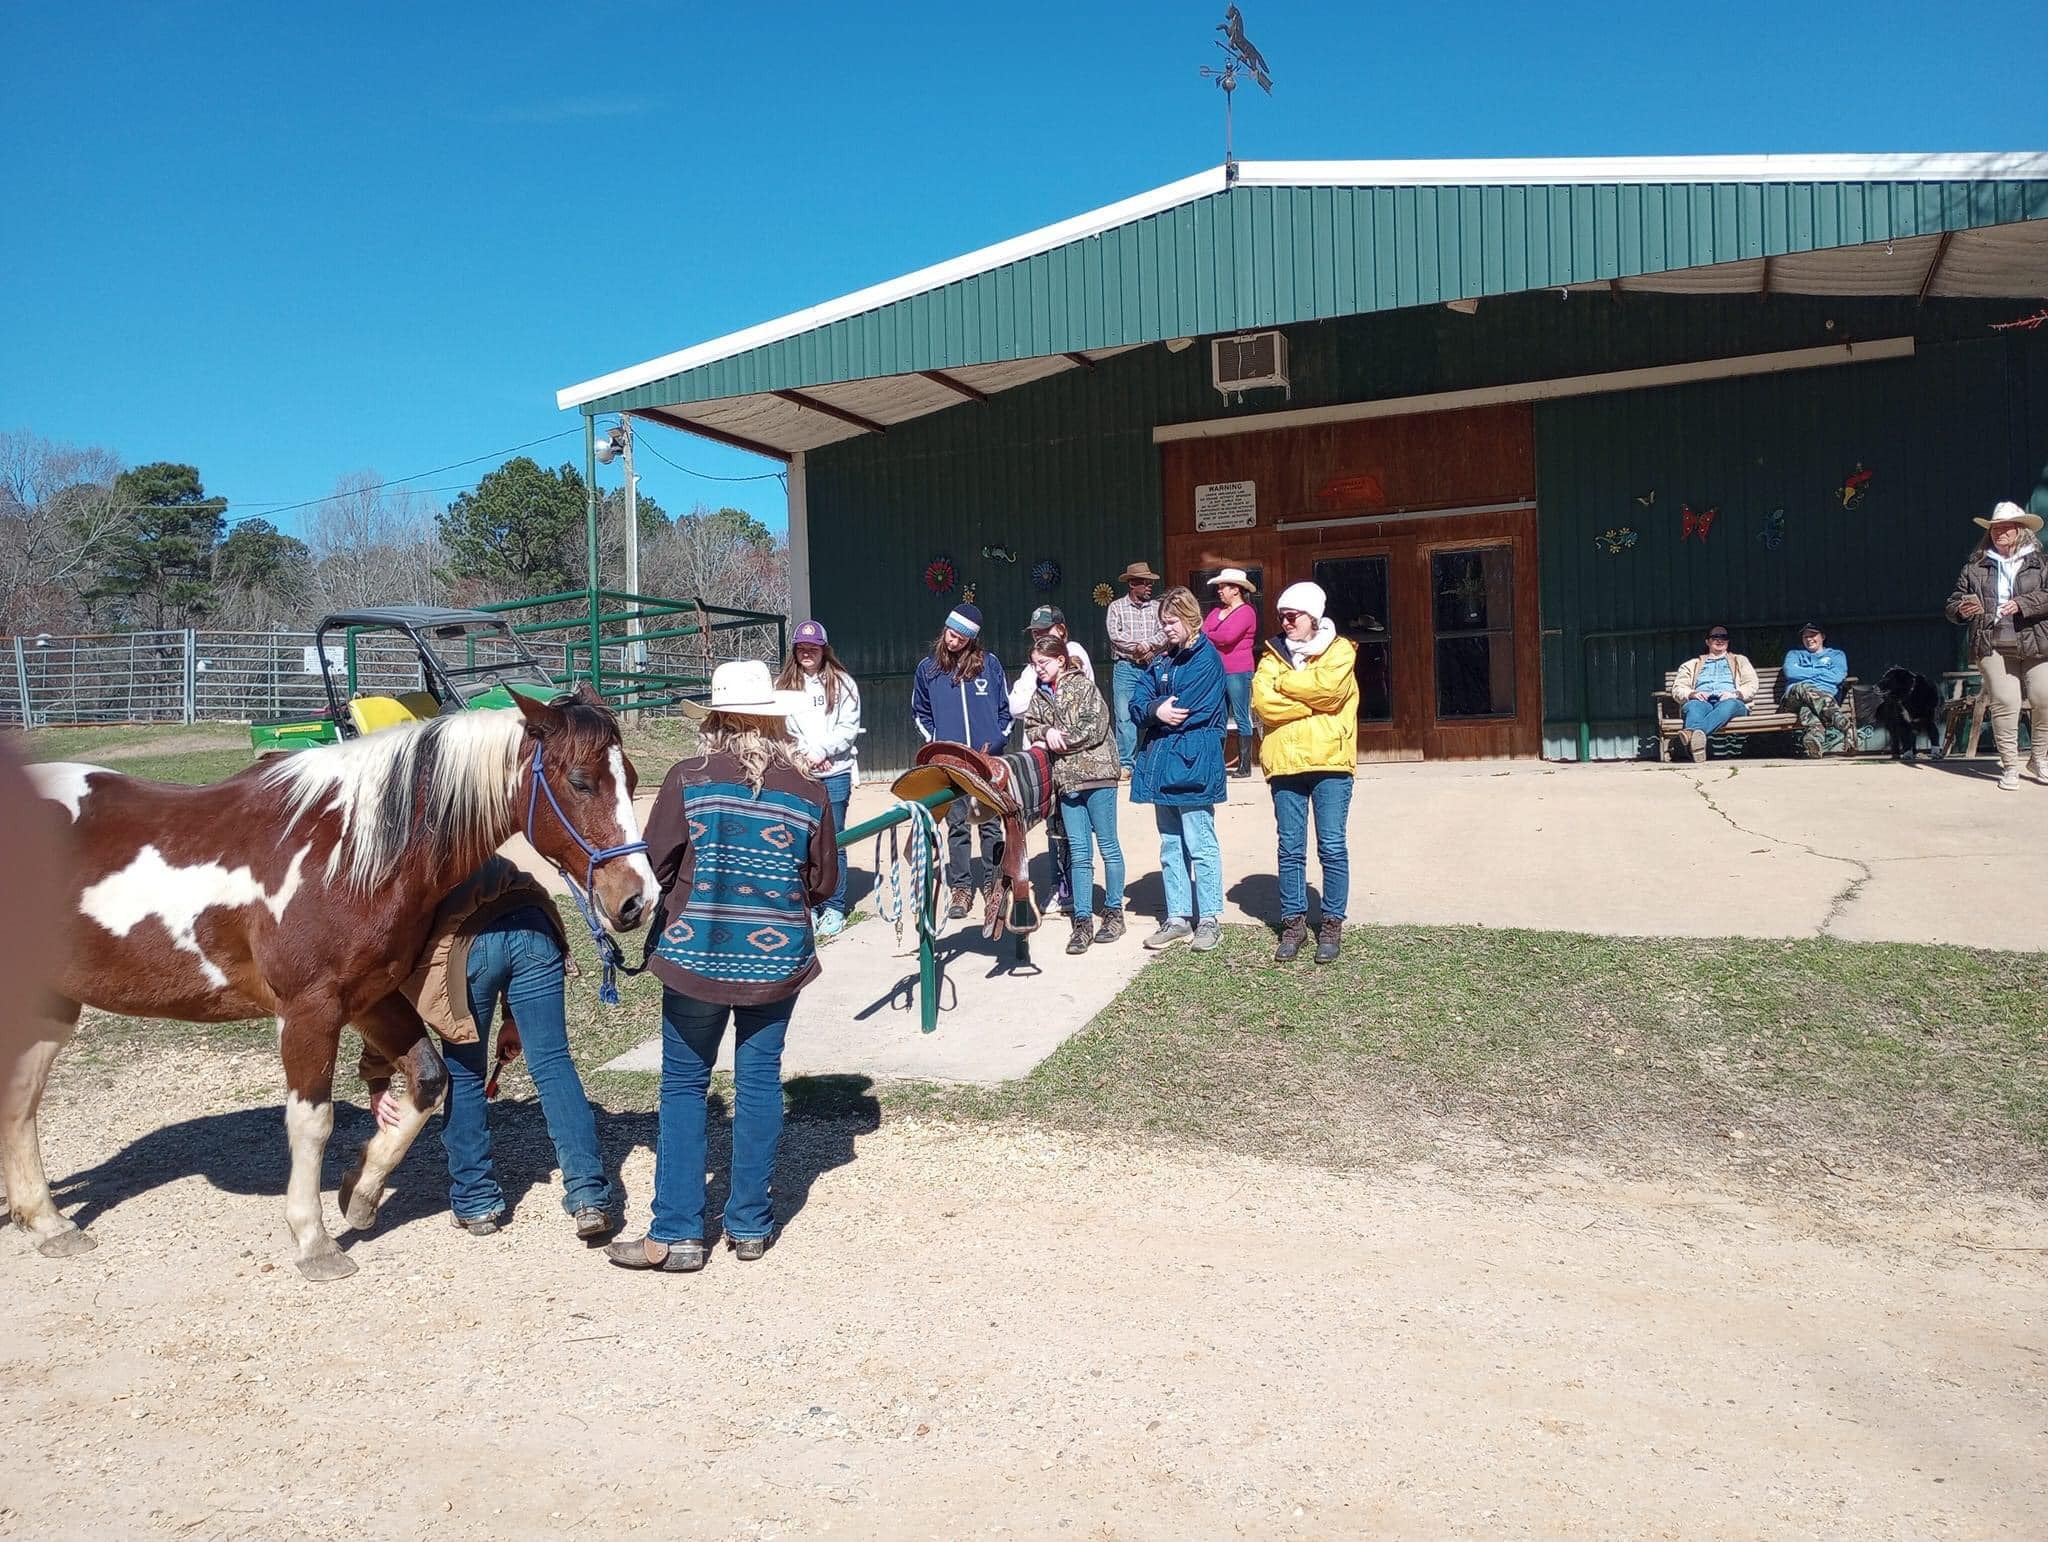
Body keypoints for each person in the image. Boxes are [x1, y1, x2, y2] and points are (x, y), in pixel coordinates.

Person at [607, 660, 837, 1272]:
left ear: (712, 718)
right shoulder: (809, 791)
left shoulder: (688, 778)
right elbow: (825, 882)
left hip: (694, 955)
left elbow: (654, 863)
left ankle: (678, 1233)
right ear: (773, 719)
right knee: (760, 1082)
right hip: (777, 957)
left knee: (685, 1084)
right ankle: (750, 1226)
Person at [361, 856, 615, 1239]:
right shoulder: (482, 847)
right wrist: (511, 1017)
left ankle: (476, 1201)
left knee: (463, 1069)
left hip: (472, 946)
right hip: (535, 928)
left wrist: (377, 1079)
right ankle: (589, 1197)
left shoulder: (410, 873)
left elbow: (382, 991)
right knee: (553, 1065)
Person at [1252, 581, 1359, 964]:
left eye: (1292, 615)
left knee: (1331, 846)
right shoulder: (1270, 656)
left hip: (1330, 761)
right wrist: (1310, 704)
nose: (1285, 622)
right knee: (1290, 848)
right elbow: (1263, 704)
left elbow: (1331, 692)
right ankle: (1293, 924)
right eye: (1281, 615)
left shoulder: (1340, 650)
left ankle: (1331, 923)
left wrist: (1288, 686)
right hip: (1284, 764)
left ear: (1312, 616)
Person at [1130, 585, 1227, 951]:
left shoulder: (1206, 660)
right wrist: (1156, 710)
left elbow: (1187, 711)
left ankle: (1210, 919)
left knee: (1200, 843)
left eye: (1171, 622)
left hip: (1193, 764)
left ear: (1191, 620)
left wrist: (1159, 712)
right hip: (1161, 764)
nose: (1166, 629)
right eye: (1163, 622)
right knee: (1170, 845)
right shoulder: (1162, 660)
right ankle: (1177, 917)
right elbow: (1136, 703)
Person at [1020, 633, 1126, 953]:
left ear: (1061, 660)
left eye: (1044, 663)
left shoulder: (1084, 687)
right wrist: (1046, 731)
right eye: (1035, 664)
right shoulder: (1040, 696)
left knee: (1107, 845)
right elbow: (1031, 726)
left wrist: (1060, 740)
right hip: (1067, 781)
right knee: (1079, 851)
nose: (1038, 669)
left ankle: (1113, 911)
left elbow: (1095, 726)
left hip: (1098, 775)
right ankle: (1082, 921)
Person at [910, 602, 1011, 919]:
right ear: (945, 630)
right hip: (950, 763)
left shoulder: (989, 664)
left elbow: (1005, 712)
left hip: (986, 763)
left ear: (972, 640)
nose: (954, 642)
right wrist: (937, 743)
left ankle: (995, 884)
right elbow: (920, 712)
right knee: (957, 826)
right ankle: (961, 889)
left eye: (961, 638)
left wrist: (996, 742)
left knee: (991, 825)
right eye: (951, 634)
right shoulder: (928, 669)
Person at [1945, 500, 2048, 791]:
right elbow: (1953, 603)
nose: (1999, 533)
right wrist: (1960, 610)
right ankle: (2010, 766)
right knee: (2006, 701)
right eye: (1995, 529)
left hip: (2036, 639)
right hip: (1991, 641)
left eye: (2006, 528)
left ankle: (2039, 758)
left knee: (2045, 697)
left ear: (2021, 531)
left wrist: (2023, 603)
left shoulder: (2042, 563)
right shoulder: (1975, 567)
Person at [777, 619, 862, 936]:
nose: (807, 652)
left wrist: (823, 751)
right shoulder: (784, 687)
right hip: (797, 773)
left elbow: (848, 728)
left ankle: (835, 907)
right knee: (799, 843)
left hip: (834, 773)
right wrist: (801, 755)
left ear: (824, 649)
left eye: (813, 647)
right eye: (801, 647)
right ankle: (807, 905)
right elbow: (779, 729)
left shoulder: (843, 684)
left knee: (835, 840)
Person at [1010, 605, 1093, 913]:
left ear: (1061, 628)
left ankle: (1075, 888)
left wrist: (1037, 681)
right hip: (1041, 755)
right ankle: (1059, 885)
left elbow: (1073, 703)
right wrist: (1037, 675)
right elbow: (1015, 705)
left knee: (1073, 823)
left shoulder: (1074, 653)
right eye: (1034, 632)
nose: (1038, 636)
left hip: (1071, 757)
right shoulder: (1033, 667)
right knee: (1051, 823)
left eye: (1045, 630)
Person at [1105, 562, 1165, 775]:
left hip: (1151, 667)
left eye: (1150, 583)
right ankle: (1126, 764)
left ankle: (1152, 758)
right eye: (1145, 583)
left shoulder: (1158, 607)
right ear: (1132, 584)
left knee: (1155, 712)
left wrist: (1148, 646)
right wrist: (1138, 648)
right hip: (1126, 667)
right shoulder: (1116, 607)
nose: (1149, 587)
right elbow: (1115, 635)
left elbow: (1165, 631)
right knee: (1124, 716)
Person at [1203, 568, 1260, 777]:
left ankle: (1245, 765)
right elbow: (1204, 631)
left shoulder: (1246, 612)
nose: (1219, 591)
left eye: (1223, 587)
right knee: (1218, 715)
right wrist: (1212, 633)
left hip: (1238, 670)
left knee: (1241, 715)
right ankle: (1217, 764)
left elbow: (1227, 637)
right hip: (1217, 671)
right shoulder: (1217, 611)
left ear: (1236, 589)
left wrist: (1210, 633)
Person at [1669, 625, 1757, 760]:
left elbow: (1751, 684)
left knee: (1729, 704)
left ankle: (1690, 734)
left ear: (1728, 641)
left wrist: (1735, 694)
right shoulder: (1692, 664)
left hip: (1732, 703)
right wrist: (1692, 694)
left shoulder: (1740, 660)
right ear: (1707, 642)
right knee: (1693, 705)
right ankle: (1696, 747)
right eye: (1715, 637)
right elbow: (1678, 688)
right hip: (1703, 702)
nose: (1720, 640)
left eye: (1724, 637)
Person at [1779, 621, 1852, 758]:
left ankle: (1814, 738)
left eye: (1813, 635)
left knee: (1808, 707)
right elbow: (1790, 672)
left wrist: (1805, 672)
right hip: (1794, 700)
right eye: (1805, 637)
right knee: (1804, 687)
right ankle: (1844, 725)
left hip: (1820, 702)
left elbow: (1837, 677)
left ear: (1822, 636)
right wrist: (1822, 671)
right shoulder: (1794, 654)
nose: (1809, 639)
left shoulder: (1836, 655)